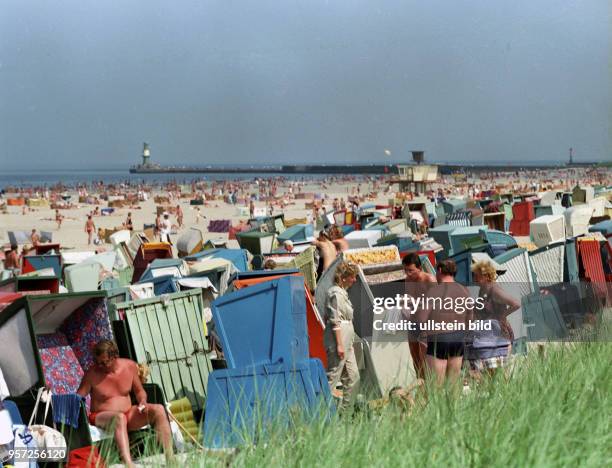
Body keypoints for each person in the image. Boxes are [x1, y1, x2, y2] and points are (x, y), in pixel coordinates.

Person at [77, 340, 172, 468]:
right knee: (119, 418)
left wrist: (142, 402)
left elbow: (139, 391)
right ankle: (128, 463)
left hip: (128, 413)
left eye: (104, 362)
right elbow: (77, 398)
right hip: (100, 416)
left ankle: (170, 459)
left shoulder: (130, 366)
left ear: (115, 356)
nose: (100, 366)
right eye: (97, 362)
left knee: (159, 409)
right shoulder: (91, 375)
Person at [416, 260, 473, 385]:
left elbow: (421, 319)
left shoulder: (434, 292)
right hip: (458, 338)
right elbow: (470, 317)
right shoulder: (464, 290)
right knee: (453, 383)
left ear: (440, 270)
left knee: (437, 386)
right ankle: (455, 405)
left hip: (439, 338)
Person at [466, 260, 520, 379]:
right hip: (489, 335)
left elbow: (516, 303)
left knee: (499, 374)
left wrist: (502, 316)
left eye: (476, 274)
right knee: (486, 372)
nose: (474, 277)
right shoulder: (483, 289)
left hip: (500, 336)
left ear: (485, 276)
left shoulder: (494, 290)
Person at [324, 261, 360, 410]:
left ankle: (346, 412)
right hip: (339, 337)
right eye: (353, 277)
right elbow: (335, 320)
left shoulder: (342, 293)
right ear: (344, 277)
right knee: (333, 375)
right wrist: (339, 344)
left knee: (353, 376)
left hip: (347, 338)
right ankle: (319, 410)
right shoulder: (336, 294)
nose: (355, 280)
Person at [402, 253, 437, 380]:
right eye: (405, 270)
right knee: (414, 356)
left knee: (424, 357)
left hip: (427, 322)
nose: (408, 274)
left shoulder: (429, 280)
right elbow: (408, 299)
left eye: (411, 270)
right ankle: (420, 383)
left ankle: (429, 385)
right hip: (413, 320)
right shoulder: (408, 280)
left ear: (420, 268)